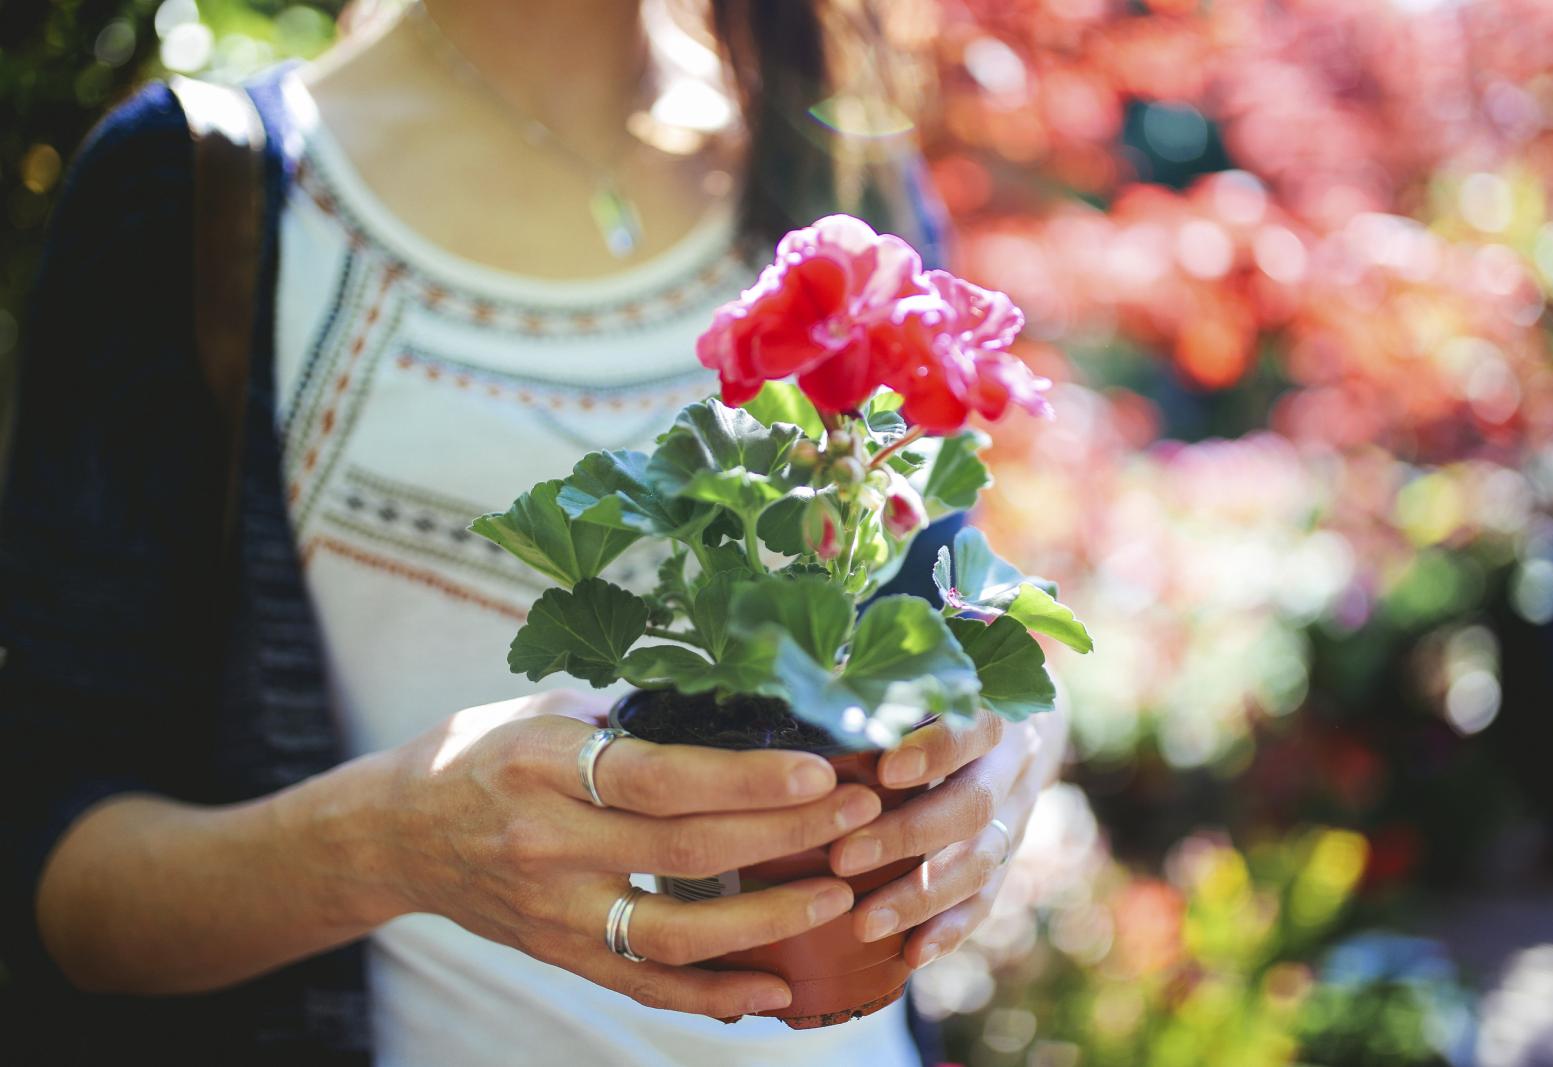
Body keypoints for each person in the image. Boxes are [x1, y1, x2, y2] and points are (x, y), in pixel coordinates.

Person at [0, 1, 1067, 1063]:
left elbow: (946, 625)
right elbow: (62, 885)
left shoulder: (833, 158)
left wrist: (1011, 749)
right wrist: (390, 840)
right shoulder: (205, 191)